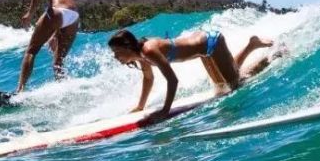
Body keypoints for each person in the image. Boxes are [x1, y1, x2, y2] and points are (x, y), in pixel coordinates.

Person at [108, 30, 274, 113]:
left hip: (211, 42)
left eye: (117, 52)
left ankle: (269, 56)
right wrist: (140, 106)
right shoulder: (141, 57)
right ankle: (251, 45)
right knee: (223, 86)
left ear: (127, 47)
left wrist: (166, 110)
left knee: (235, 84)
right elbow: (148, 79)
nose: (116, 57)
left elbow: (173, 80)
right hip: (202, 51)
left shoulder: (149, 50)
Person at [16, 0, 79, 93]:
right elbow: (64, 8)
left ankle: (19, 91)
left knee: (31, 51)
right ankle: (64, 90)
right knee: (58, 62)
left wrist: (30, 13)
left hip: (58, 11)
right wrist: (55, 34)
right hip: (74, 15)